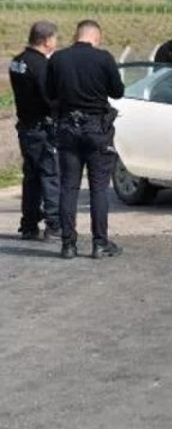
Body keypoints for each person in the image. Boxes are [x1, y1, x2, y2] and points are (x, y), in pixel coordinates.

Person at [46, 19, 125, 259]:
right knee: (98, 188)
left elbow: (49, 93)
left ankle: (68, 245)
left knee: (68, 187)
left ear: (76, 35)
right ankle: (99, 243)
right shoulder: (104, 58)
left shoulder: (58, 59)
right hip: (96, 129)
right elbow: (118, 92)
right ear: (96, 37)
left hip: (67, 127)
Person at [9, 21, 61, 241]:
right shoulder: (40, 65)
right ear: (46, 40)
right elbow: (48, 97)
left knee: (31, 177)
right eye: (55, 38)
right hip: (42, 128)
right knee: (50, 175)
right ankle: (54, 225)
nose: (56, 43)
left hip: (26, 127)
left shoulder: (17, 61)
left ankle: (29, 224)